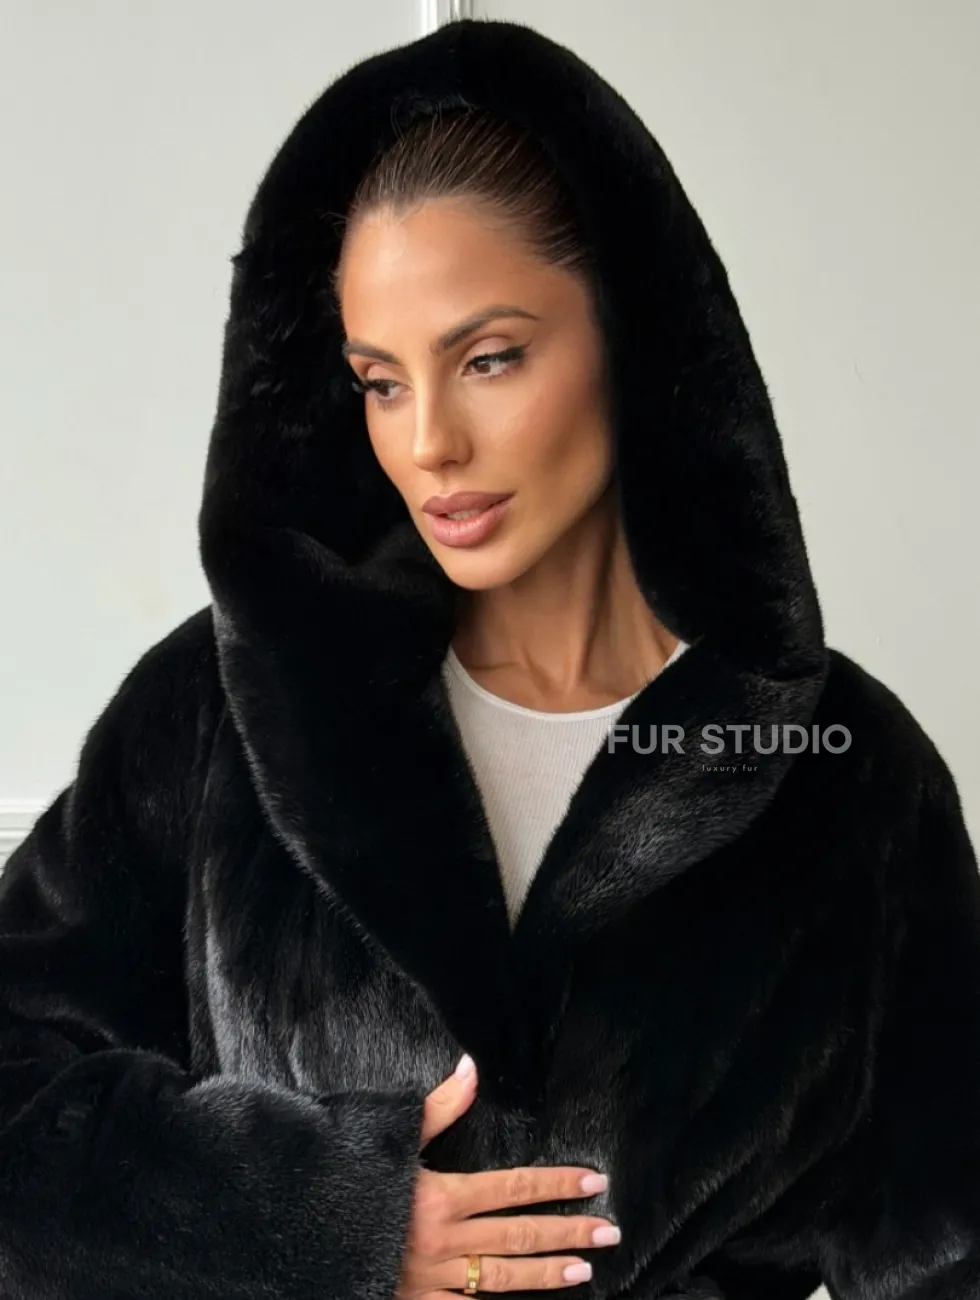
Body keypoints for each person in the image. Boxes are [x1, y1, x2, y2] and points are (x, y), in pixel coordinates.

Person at [0, 16, 977, 1300]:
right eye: (380, 380)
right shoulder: (224, 712)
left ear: (630, 333)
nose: (429, 444)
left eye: (489, 358)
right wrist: (312, 1221)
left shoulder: (845, 778)